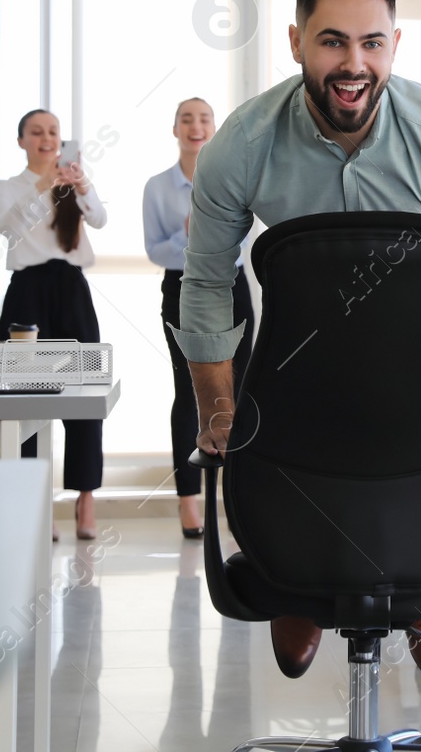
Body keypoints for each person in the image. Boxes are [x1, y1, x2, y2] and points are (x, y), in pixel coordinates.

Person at [171, 0, 421, 695]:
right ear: (295, 42)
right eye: (332, 41)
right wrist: (217, 409)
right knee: (286, 467)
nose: (354, 63)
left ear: (394, 45)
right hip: (299, 384)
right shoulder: (242, 145)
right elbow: (209, 283)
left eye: (371, 42)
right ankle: (303, 578)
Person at [0, 108, 108, 543]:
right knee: (25, 399)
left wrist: (82, 185)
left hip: (72, 289)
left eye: (53, 132)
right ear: (21, 140)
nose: (46, 138)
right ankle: (36, 501)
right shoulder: (5, 189)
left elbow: (98, 219)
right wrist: (44, 186)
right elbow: (8, 227)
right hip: (28, 292)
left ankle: (85, 497)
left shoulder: (72, 182)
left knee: (83, 394)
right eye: (36, 132)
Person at [143, 97, 255, 541]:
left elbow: (245, 244)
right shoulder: (157, 187)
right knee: (187, 392)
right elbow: (155, 249)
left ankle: (242, 497)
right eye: (187, 119)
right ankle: (188, 503)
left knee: (243, 387)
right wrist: (191, 237)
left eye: (204, 118)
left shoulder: (235, 179)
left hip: (233, 286)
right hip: (182, 288)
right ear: (175, 130)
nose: (196, 126)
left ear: (214, 128)